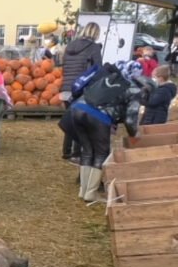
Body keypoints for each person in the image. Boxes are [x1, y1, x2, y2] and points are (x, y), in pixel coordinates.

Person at [70, 62, 154, 201]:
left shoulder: (114, 78)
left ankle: (83, 190)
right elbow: (130, 119)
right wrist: (134, 134)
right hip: (98, 116)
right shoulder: (135, 91)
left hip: (78, 108)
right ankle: (91, 193)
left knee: (87, 150)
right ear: (146, 89)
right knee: (101, 153)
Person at [59, 22, 102, 163]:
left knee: (70, 120)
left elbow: (64, 65)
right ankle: (76, 154)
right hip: (81, 88)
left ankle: (66, 151)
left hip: (65, 88)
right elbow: (98, 69)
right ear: (95, 33)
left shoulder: (70, 46)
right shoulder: (94, 48)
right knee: (80, 122)